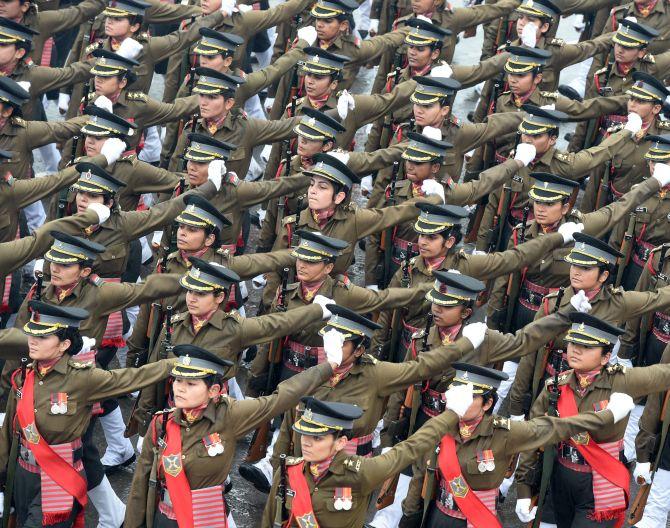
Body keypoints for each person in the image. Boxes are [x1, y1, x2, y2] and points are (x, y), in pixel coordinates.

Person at [125, 339, 343, 528]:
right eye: (178, 381)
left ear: (214, 391)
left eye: (191, 384)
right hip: (165, 517)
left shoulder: (229, 415)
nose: (180, 388)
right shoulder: (162, 423)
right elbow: (140, 484)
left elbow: (281, 398)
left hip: (207, 518)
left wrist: (329, 366)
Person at [0, 301, 177, 527]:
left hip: (58, 478)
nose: (33, 341)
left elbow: (132, 377)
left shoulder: (83, 378)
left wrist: (175, 364)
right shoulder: (24, 375)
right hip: (23, 474)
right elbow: (9, 433)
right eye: (32, 335)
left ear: (64, 344)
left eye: (42, 337)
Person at [515, 313, 670, 528]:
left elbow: (663, 374)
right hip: (558, 480)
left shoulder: (622, 382)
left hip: (599, 485)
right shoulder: (555, 386)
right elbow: (532, 436)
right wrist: (523, 489)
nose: (575, 350)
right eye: (573, 343)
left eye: (587, 347)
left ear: (606, 357)